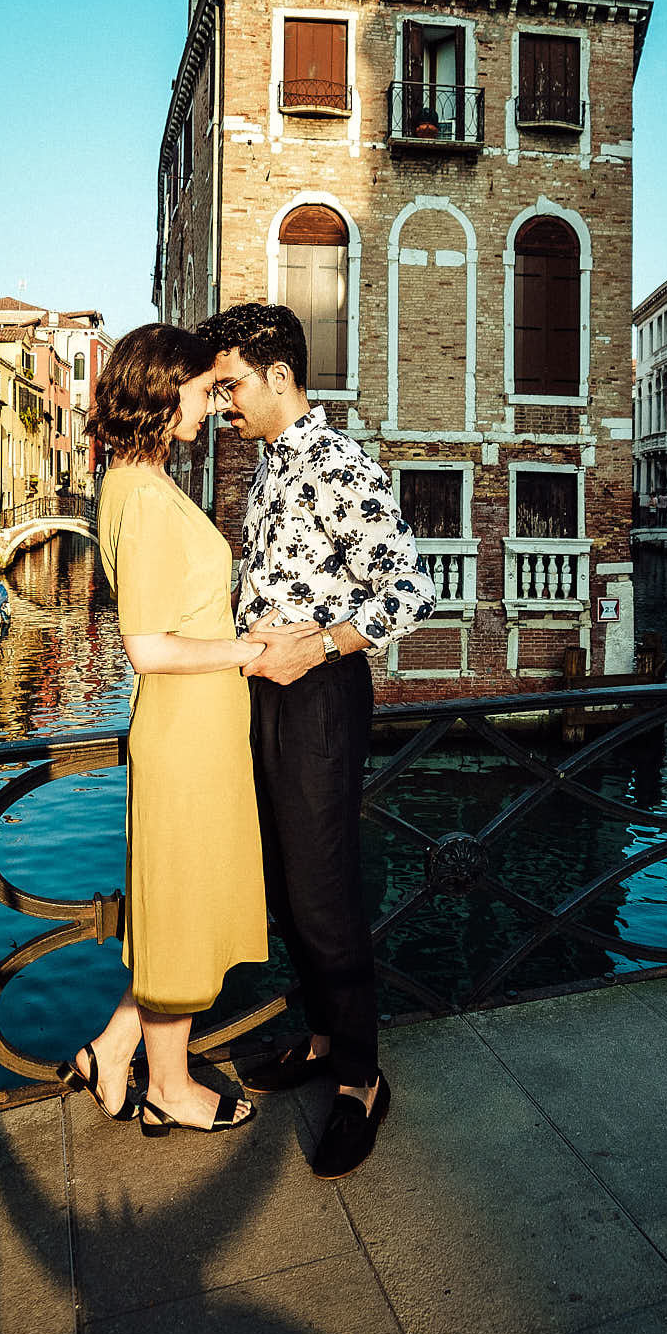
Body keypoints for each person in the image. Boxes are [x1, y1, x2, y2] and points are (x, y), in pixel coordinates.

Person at [197, 303, 437, 1179]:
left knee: (325, 890)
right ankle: (328, 1036)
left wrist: (321, 643)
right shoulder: (268, 466)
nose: (224, 402)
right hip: (269, 700)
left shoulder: (338, 463)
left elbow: (414, 589)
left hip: (322, 699)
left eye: (232, 385)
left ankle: (361, 1081)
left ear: (280, 376)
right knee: (291, 890)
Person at [71, 323, 305, 1136]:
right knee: (179, 915)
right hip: (184, 737)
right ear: (164, 390)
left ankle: (112, 1047)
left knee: (183, 906)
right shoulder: (139, 494)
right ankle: (167, 1085)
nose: (213, 406)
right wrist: (253, 648)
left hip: (202, 732)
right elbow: (145, 645)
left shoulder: (141, 480)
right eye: (204, 391)